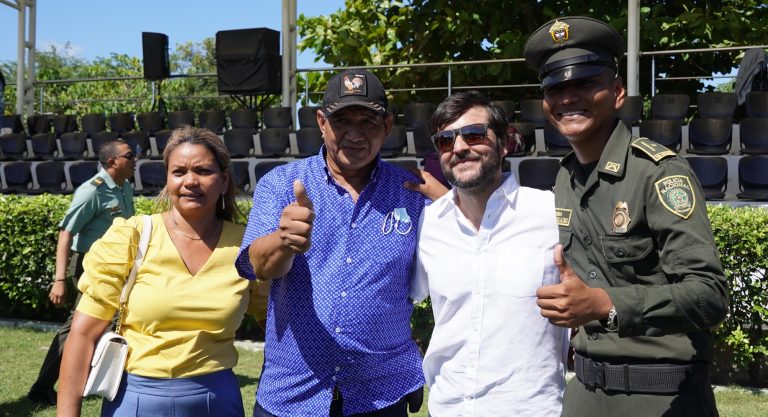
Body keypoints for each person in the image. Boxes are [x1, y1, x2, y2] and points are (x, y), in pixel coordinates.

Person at [523, 16, 729, 416]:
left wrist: (605, 304)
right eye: (556, 87)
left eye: (584, 83)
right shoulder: (565, 176)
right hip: (585, 393)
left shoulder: (658, 172)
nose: (568, 97)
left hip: (660, 395)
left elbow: (709, 295)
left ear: (617, 92)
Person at [236, 69, 447, 417]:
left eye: (368, 121)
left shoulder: (413, 191)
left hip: (382, 391)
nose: (355, 134)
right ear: (322, 122)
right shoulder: (282, 184)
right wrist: (284, 240)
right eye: (342, 120)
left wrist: (450, 205)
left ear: (387, 125)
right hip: (293, 391)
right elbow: (257, 266)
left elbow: (466, 254)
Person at [57, 127, 265, 417]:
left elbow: (278, 326)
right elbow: (82, 336)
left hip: (217, 403)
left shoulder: (248, 246)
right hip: (135, 402)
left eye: (203, 171)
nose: (190, 181)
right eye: (179, 172)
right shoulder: (132, 237)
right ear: (168, 180)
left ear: (223, 180)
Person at [410, 91, 568, 416]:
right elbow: (393, 304)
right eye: (444, 141)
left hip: (533, 411)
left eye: (474, 135)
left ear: (505, 143)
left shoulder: (551, 215)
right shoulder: (429, 224)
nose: (459, 148)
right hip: (448, 408)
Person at [27, 140, 136, 406]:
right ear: (113, 162)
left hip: (114, 264)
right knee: (82, 325)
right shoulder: (91, 192)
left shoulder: (125, 187)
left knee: (91, 324)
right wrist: (60, 279)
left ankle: (79, 380)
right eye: (131, 155)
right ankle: (44, 387)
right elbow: (66, 233)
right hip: (89, 264)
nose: (136, 159)